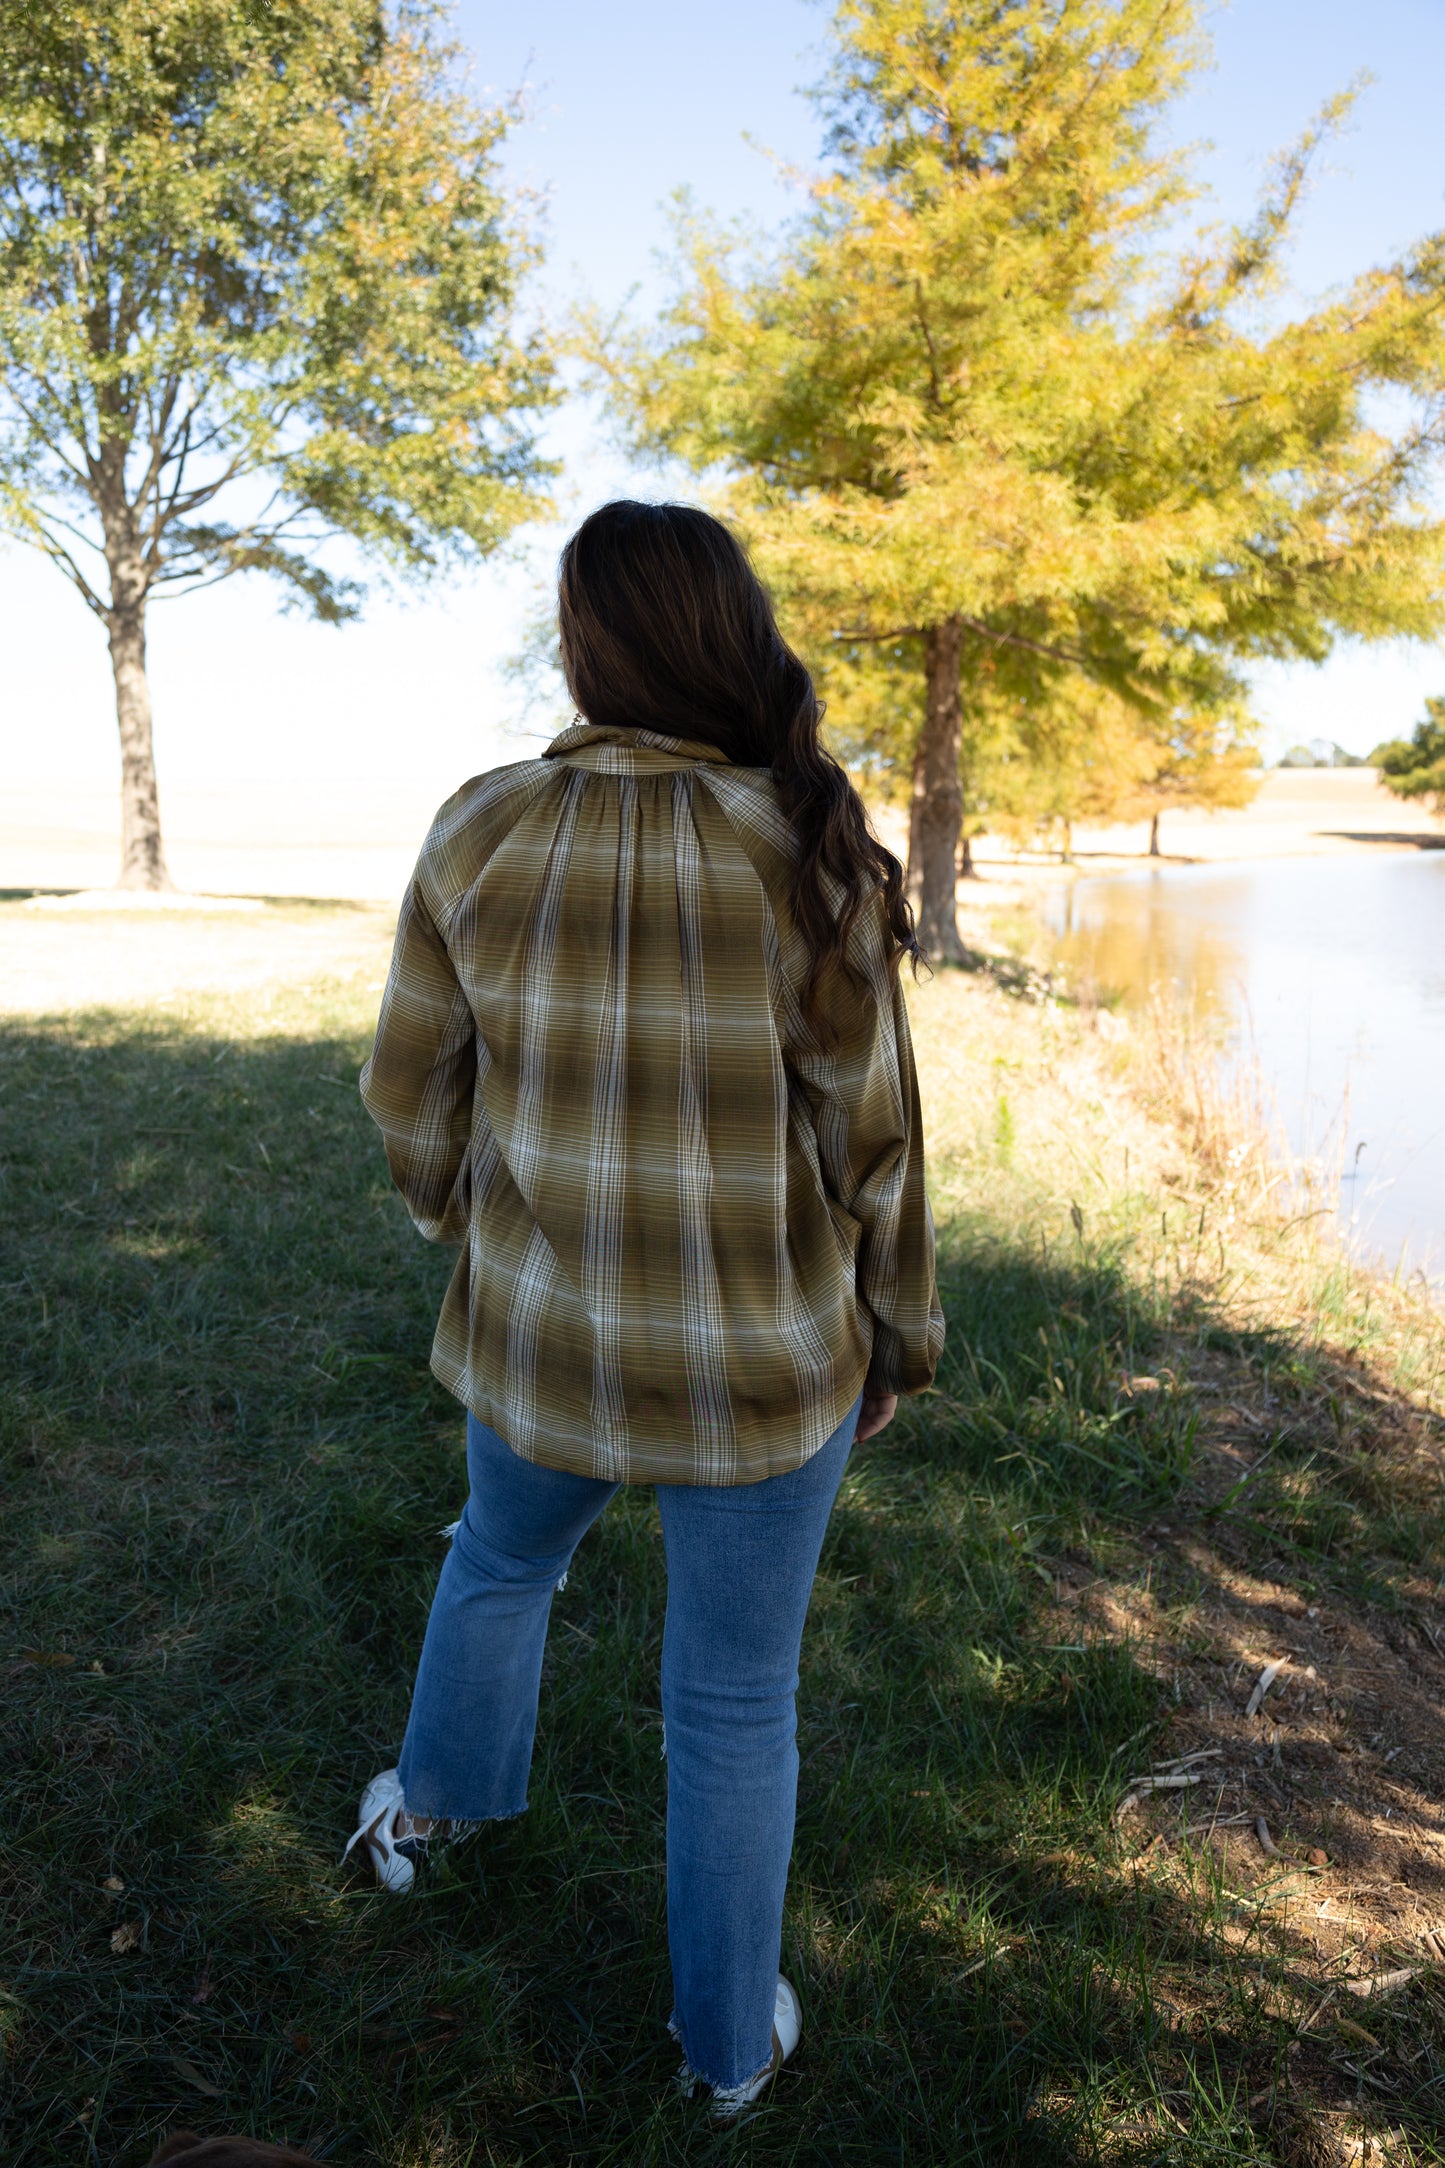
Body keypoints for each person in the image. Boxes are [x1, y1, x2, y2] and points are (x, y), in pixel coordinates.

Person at [347, 500, 945, 2115]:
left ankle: (431, 1810)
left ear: (588, 647)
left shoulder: (478, 830)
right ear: (725, 638)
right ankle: (726, 2056)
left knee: (500, 1559)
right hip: (765, 1367)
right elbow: (870, 1141)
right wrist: (891, 1338)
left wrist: (476, 1221)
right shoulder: (802, 847)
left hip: (539, 1347)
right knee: (734, 1699)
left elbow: (411, 1098)